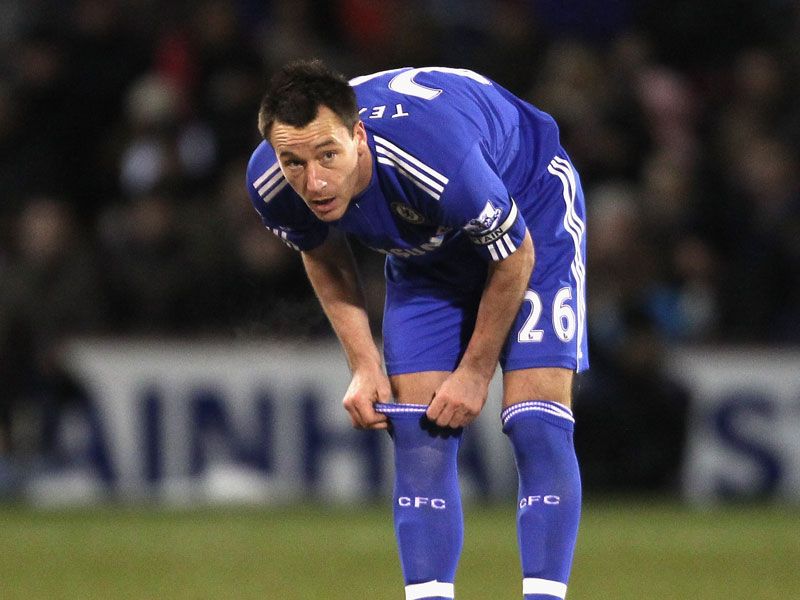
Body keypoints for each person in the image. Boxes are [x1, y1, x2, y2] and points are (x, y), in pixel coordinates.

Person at [246, 59, 587, 600]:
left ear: (359, 137)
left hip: (529, 207)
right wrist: (364, 364)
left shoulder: (435, 161)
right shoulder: (269, 181)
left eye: (328, 155)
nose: (314, 181)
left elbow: (514, 256)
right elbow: (323, 253)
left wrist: (475, 372)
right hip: (427, 251)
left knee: (535, 421)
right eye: (294, 162)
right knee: (419, 430)